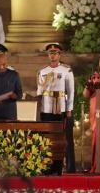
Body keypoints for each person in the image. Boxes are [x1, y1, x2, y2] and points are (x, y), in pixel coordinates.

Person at [37, 43, 75, 174]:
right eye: (50, 53)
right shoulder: (43, 72)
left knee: (60, 138)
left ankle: (58, 167)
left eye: (55, 53)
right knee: (47, 138)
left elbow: (71, 91)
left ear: (59, 55)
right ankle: (46, 166)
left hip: (61, 107)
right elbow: (39, 92)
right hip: (46, 108)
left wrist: (69, 109)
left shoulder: (66, 70)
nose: (52, 56)